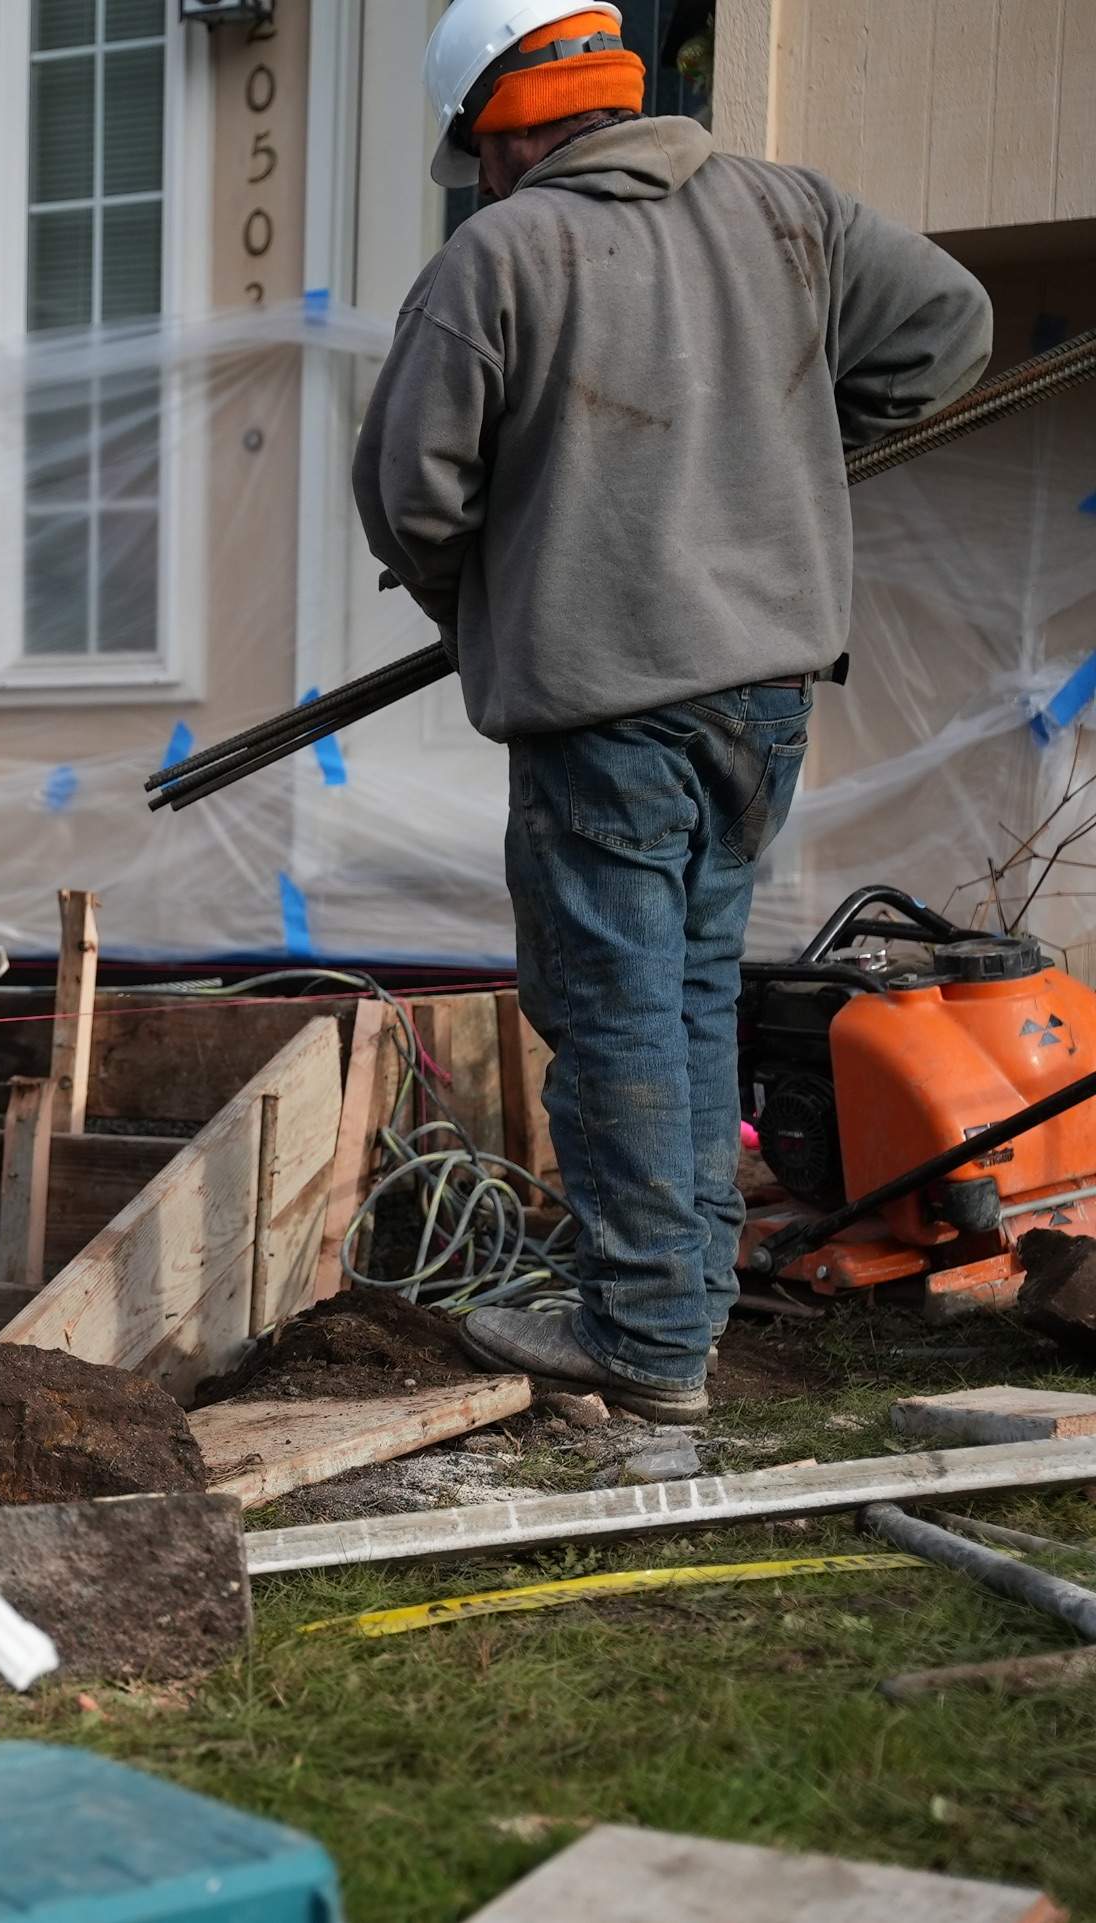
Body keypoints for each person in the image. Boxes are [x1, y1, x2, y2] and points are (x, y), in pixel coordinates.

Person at [353, 3, 991, 1419]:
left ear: (504, 128)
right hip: (763, 699)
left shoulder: (501, 255)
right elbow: (951, 330)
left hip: (608, 705)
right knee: (691, 993)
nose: (481, 181)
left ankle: (643, 1338)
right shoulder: (789, 210)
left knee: (615, 1009)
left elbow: (410, 496)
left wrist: (496, 588)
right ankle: (681, 1305)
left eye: (478, 155)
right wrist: (776, 457)